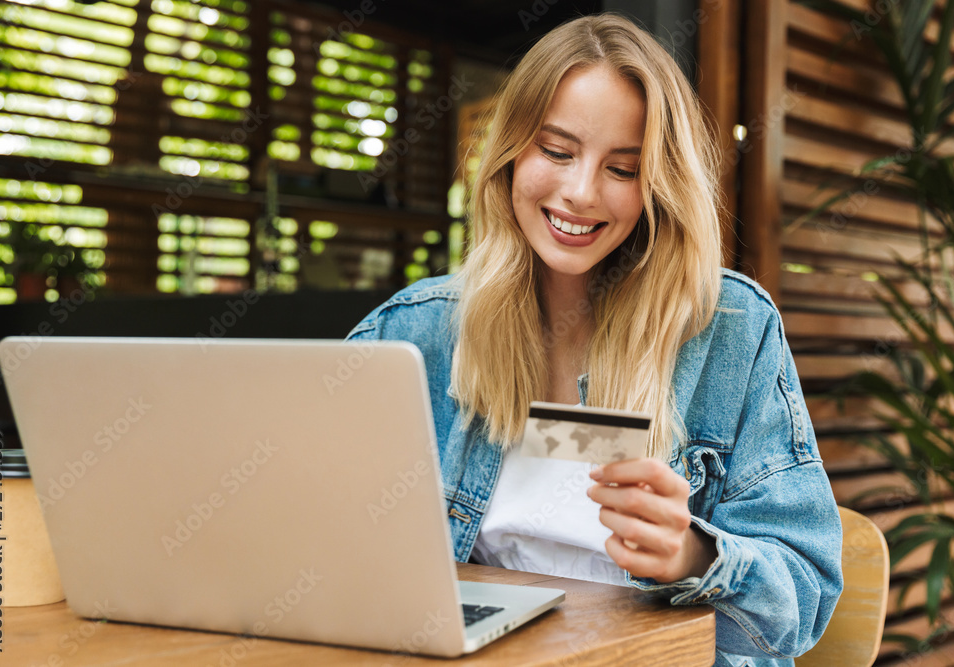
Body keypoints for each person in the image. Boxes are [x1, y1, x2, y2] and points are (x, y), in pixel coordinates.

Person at [347, 12, 842, 666]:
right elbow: (311, 534)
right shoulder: (411, 330)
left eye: (623, 167)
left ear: (659, 183)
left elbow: (804, 596)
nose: (579, 193)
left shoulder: (731, 327)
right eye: (555, 151)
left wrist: (693, 554)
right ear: (510, 154)